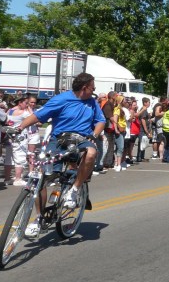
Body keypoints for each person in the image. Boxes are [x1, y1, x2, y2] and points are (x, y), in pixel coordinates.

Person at [16, 73, 104, 237]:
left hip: (82, 139)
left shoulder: (92, 103)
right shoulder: (61, 99)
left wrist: (94, 135)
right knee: (41, 177)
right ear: (85, 88)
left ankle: (75, 189)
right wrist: (19, 127)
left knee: (91, 152)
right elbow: (37, 116)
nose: (94, 90)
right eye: (93, 87)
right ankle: (39, 218)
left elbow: (101, 120)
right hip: (59, 140)